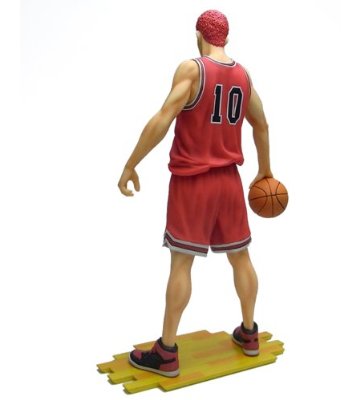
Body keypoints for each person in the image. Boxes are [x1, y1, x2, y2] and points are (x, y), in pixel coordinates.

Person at [118, 10, 272, 378]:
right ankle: (249, 333)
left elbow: (163, 117)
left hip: (193, 181)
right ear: (226, 38)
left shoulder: (192, 69)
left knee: (182, 263)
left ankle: (166, 353)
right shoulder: (243, 76)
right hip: (229, 181)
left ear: (198, 35)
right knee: (241, 258)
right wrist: (265, 171)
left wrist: (131, 163)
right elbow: (262, 124)